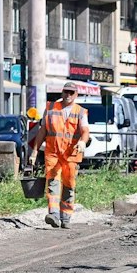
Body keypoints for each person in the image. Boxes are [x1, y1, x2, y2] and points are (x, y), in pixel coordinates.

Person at [30, 83, 90, 228]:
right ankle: (54, 214)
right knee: (53, 183)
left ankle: (66, 217)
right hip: (53, 153)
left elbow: (85, 131)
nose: (68, 95)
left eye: (71, 92)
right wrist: (34, 152)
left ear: (76, 95)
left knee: (69, 184)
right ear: (62, 92)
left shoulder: (80, 112)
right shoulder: (51, 108)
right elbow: (42, 132)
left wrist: (82, 142)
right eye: (66, 92)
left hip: (71, 154)